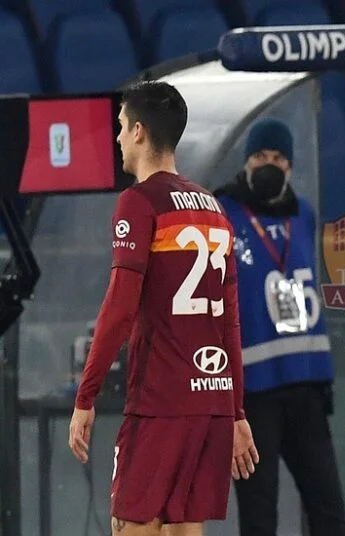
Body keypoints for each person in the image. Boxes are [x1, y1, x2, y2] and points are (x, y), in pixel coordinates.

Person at [68, 81, 260, 536]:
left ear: (138, 131)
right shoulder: (214, 210)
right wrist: (234, 411)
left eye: (119, 128)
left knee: (131, 527)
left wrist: (86, 395)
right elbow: (228, 321)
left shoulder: (138, 203)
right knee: (183, 530)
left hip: (160, 402)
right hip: (210, 404)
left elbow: (119, 308)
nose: (116, 139)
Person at [214, 119, 345, 536]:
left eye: (276, 158)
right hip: (253, 394)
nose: (267, 164)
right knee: (259, 514)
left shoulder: (303, 214)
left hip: (306, 386)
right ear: (246, 162)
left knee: (329, 510)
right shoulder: (222, 212)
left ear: (289, 166)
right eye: (259, 157)